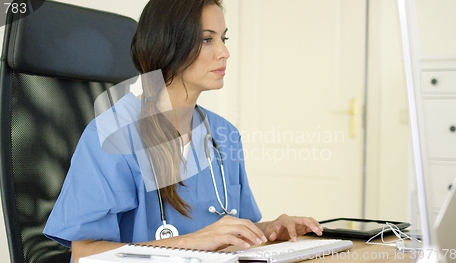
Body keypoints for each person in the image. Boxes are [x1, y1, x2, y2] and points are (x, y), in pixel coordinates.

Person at [43, 0, 323, 262]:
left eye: (223, 39)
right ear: (168, 45)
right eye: (207, 39)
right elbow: (85, 255)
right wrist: (193, 242)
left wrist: (271, 229)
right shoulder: (111, 136)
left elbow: (230, 232)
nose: (225, 52)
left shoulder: (225, 135)